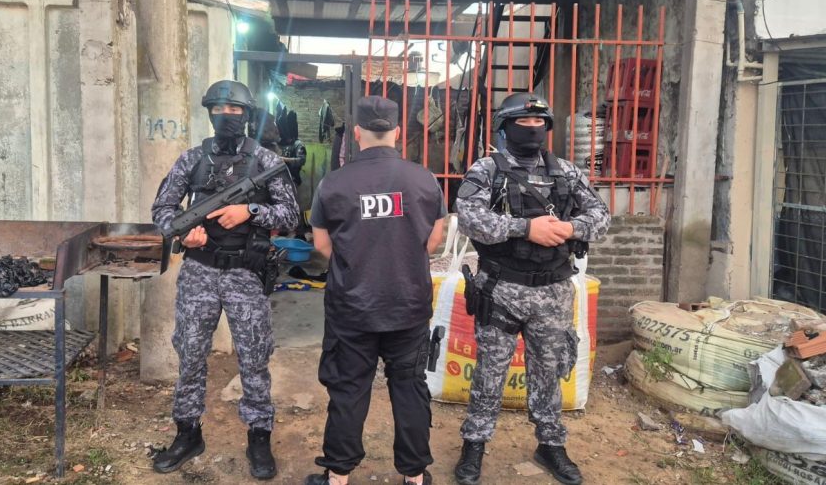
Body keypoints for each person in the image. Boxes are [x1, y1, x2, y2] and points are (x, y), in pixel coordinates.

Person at [452, 93, 610, 485]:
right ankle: (474, 443)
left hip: (554, 291)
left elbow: (601, 216)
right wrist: (526, 228)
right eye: (523, 123)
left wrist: (570, 228)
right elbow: (469, 218)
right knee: (490, 371)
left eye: (539, 123)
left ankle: (550, 444)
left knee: (548, 371)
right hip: (501, 289)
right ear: (505, 128)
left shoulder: (566, 172)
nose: (533, 129)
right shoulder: (487, 170)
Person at [150, 80, 300, 479]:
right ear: (210, 114)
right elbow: (163, 209)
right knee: (190, 354)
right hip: (199, 272)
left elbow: (291, 214)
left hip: (246, 274)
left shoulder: (266, 160)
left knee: (254, 357)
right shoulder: (192, 159)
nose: (227, 116)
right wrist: (185, 234)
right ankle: (188, 433)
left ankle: (259, 436)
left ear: (247, 115)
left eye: (234, 110)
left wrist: (250, 211)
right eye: (219, 109)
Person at [304, 95, 447, 485]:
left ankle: (338, 476)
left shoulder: (333, 183)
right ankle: (415, 477)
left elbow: (322, 245)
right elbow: (434, 240)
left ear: (356, 133)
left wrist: (357, 263)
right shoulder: (424, 179)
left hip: (352, 307)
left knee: (348, 388)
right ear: (397, 132)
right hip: (409, 304)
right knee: (410, 387)